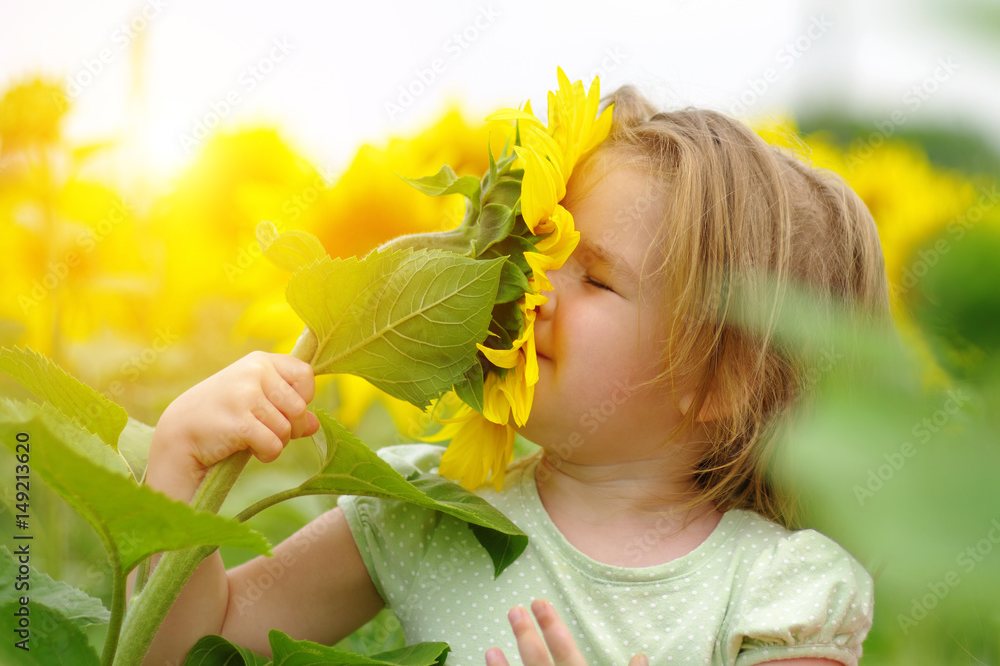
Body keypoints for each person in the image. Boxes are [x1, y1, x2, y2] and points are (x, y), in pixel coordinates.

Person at [137, 85, 889, 666]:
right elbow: (203, 648)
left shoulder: (776, 589)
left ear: (724, 380)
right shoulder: (435, 509)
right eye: (542, 247)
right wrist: (178, 462)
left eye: (596, 279)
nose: (531, 286)